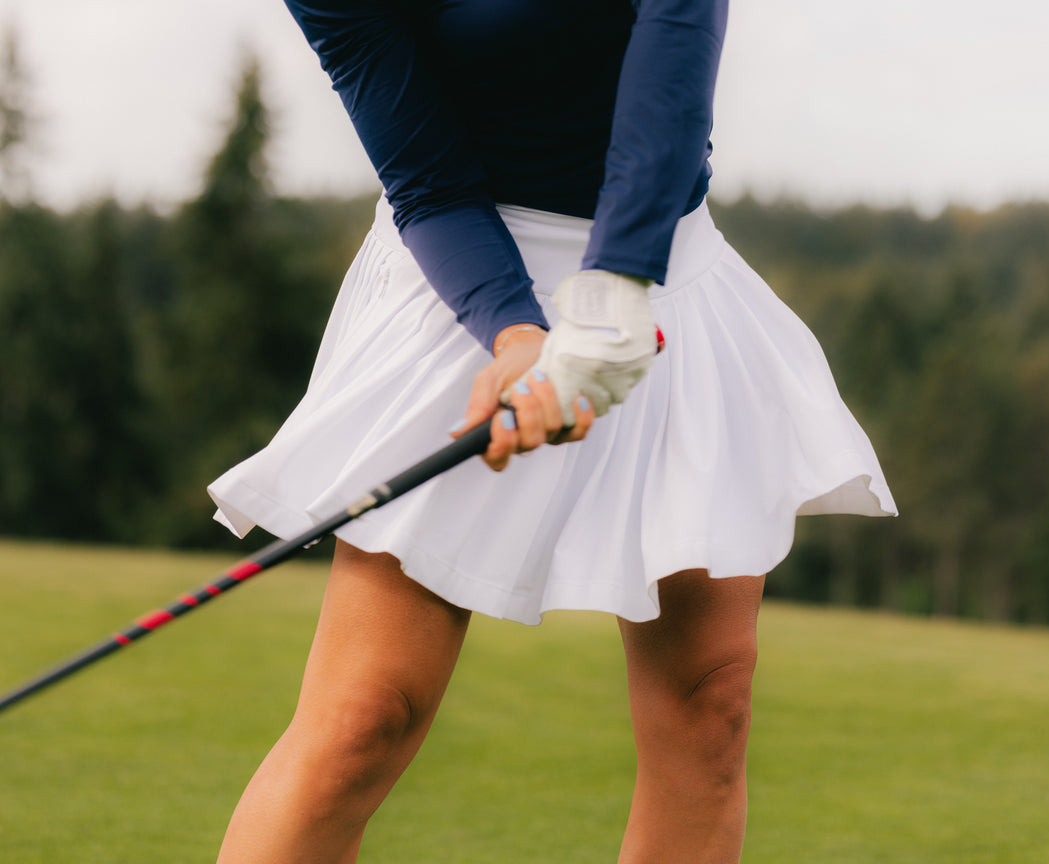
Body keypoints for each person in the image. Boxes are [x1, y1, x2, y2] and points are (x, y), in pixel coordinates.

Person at [208, 0, 897, 861]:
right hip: (464, 274)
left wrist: (610, 300)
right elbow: (430, 177)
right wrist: (516, 333)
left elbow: (673, 61)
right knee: (363, 720)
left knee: (709, 705)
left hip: (655, 255)